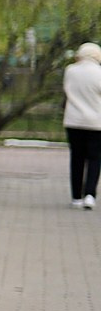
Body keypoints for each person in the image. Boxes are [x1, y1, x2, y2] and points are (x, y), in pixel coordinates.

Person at [66, 41, 101, 209]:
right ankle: (89, 194)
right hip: (96, 122)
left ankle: (75, 197)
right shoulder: (99, 72)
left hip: (73, 121)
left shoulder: (70, 71)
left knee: (77, 158)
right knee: (95, 158)